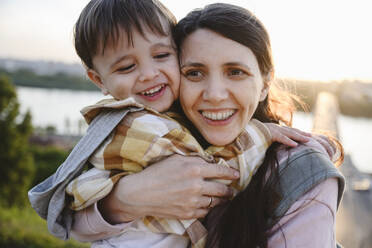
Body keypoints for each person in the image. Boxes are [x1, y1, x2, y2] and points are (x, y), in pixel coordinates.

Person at [27, 0, 310, 246]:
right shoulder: (136, 125)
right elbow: (218, 172)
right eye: (127, 67)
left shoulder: (176, 118)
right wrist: (263, 133)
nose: (149, 74)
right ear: (99, 80)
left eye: (162, 56)